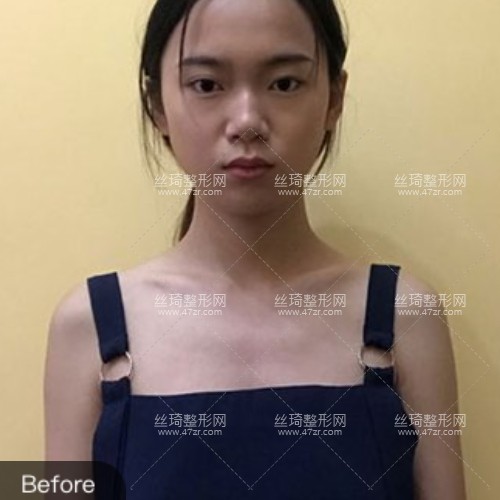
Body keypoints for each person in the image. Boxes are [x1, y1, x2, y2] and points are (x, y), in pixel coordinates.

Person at [44, 0, 466, 498]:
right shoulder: (88, 327)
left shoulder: (405, 317)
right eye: (206, 84)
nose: (247, 121)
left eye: (284, 83)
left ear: (334, 98)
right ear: (157, 105)